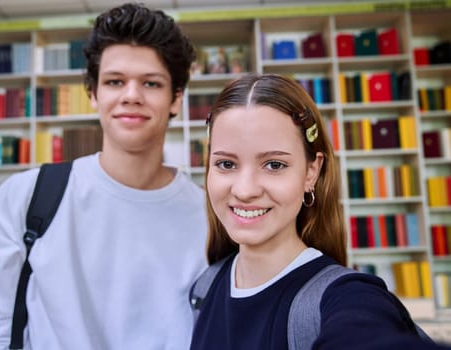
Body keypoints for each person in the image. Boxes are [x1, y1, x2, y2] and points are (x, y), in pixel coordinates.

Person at [0, 3, 208, 349]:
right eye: (114, 81)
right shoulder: (26, 198)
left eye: (151, 83)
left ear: (176, 100)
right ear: (94, 95)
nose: (131, 96)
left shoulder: (211, 215)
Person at [190, 74, 451, 350]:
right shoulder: (205, 287)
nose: (244, 190)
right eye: (226, 164)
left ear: (311, 172)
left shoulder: (346, 296)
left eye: (274, 165)